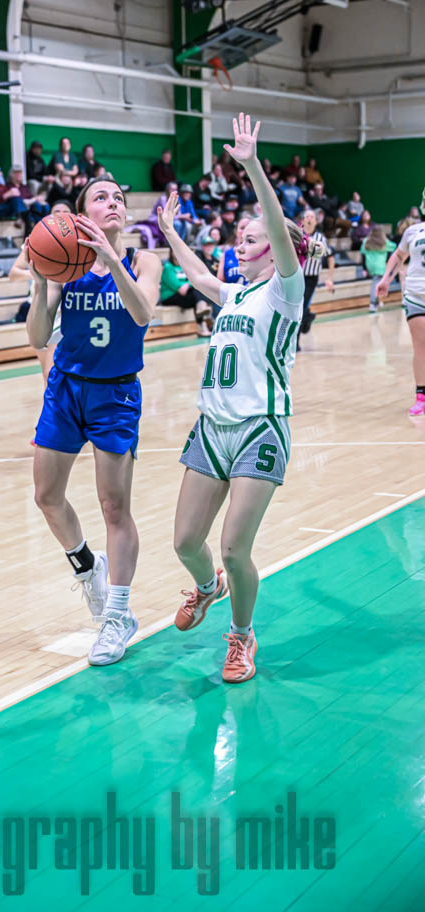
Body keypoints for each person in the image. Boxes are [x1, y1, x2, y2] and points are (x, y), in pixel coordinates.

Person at [157, 112, 326, 683]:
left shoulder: (285, 290)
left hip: (260, 428)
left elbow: (277, 225)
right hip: (212, 428)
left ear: (275, 250)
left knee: (234, 547)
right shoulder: (235, 294)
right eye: (240, 237)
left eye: (249, 238)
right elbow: (199, 277)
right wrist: (170, 232)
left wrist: (251, 166)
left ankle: (241, 636)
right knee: (186, 542)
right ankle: (208, 589)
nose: (241, 242)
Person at [27, 176, 161, 666]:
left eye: (119, 197)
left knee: (114, 507)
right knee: (46, 496)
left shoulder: (143, 261)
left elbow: (143, 313)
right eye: (101, 197)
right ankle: (88, 569)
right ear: (81, 215)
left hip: (115, 394)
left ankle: (118, 616)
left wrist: (110, 259)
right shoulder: (66, 266)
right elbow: (38, 336)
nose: (114, 202)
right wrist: (40, 279)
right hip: (66, 389)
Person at [9, 200, 75, 386]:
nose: (60, 214)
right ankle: (50, 403)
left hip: (62, 312)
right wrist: (39, 274)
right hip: (38, 309)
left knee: (52, 372)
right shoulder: (37, 240)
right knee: (46, 374)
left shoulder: (76, 243)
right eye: (56, 210)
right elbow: (13, 273)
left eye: (65, 211)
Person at [376, 188, 425, 415]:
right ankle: (421, 395)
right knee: (420, 345)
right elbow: (398, 256)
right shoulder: (413, 231)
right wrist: (386, 279)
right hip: (416, 294)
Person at [296, 209, 335, 349]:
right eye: (307, 216)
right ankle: (308, 316)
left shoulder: (321, 238)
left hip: (311, 278)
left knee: (301, 307)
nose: (309, 219)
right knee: (296, 307)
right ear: (303, 220)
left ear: (316, 221)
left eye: (312, 217)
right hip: (297, 276)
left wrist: (330, 278)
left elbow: (330, 257)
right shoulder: (298, 236)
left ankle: (296, 342)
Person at [160, 249, 213, 337]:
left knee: (198, 294)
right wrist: (189, 284)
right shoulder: (168, 267)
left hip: (183, 294)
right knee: (197, 296)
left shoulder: (184, 266)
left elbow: (193, 280)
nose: (177, 252)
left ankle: (201, 310)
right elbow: (179, 288)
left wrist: (188, 284)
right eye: (174, 251)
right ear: (171, 253)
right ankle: (203, 323)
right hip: (169, 297)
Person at [361, 225, 396, 313]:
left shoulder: (366, 241)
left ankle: (377, 301)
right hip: (380, 266)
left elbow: (363, 256)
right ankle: (372, 303)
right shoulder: (385, 242)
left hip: (370, 266)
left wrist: (364, 268)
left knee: (377, 282)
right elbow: (394, 246)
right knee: (376, 284)